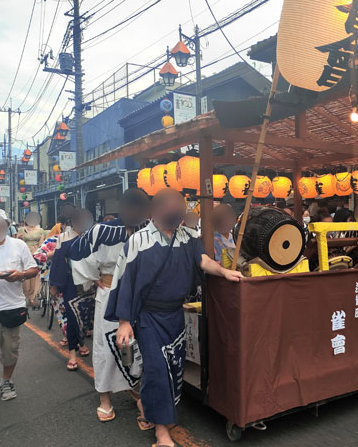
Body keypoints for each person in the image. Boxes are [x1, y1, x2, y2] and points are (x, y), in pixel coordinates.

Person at [108, 189, 243, 447]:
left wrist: (224, 273)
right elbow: (125, 280)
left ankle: (148, 405)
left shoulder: (189, 236)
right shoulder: (139, 240)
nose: (177, 211)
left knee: (172, 367)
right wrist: (124, 321)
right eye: (171, 207)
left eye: (180, 207)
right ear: (155, 211)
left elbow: (203, 261)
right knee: (158, 370)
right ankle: (162, 432)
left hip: (175, 314)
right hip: (148, 317)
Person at [69, 189, 151, 426]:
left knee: (137, 346)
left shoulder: (149, 229)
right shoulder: (102, 231)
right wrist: (94, 278)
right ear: (122, 207)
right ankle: (105, 397)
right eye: (130, 207)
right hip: (110, 295)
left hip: (140, 298)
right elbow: (76, 252)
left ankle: (134, 386)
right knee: (107, 346)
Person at [0, 209, 39, 427]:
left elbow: (34, 269)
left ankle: (6, 381)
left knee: (9, 351)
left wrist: (20, 275)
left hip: (11, 307)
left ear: (5, 225)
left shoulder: (18, 245)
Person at [49, 209, 95, 372]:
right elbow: (58, 262)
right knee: (73, 317)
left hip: (90, 283)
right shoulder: (64, 237)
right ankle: (72, 353)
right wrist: (54, 285)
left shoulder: (93, 235)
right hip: (70, 283)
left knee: (86, 316)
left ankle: (81, 342)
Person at [17, 212, 46, 308]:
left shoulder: (41, 230)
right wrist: (19, 238)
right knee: (25, 274)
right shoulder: (21, 230)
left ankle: (32, 297)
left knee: (35, 274)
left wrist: (39, 253)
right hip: (24, 252)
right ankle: (26, 294)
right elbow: (18, 242)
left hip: (36, 252)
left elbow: (41, 243)